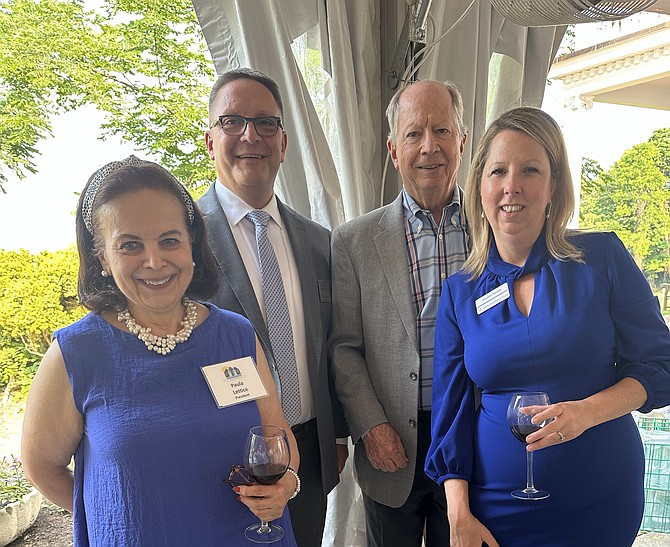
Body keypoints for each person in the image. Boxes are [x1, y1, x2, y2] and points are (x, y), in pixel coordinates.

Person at [20, 156, 301, 546]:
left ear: (191, 246)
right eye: (130, 245)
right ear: (103, 257)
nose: (155, 262)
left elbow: (277, 436)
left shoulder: (236, 334)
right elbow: (42, 467)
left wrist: (284, 486)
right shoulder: (76, 352)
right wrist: (120, 515)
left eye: (169, 240)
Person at [425, 106, 670, 547]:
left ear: (555, 185)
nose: (511, 186)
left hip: (600, 498)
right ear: (479, 185)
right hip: (496, 505)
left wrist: (586, 412)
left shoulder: (602, 259)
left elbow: (660, 364)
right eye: (497, 171)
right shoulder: (460, 292)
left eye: (531, 170)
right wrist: (457, 512)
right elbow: (451, 413)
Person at [199, 68, 349, 547]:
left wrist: (338, 435)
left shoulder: (319, 241)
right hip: (222, 458)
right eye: (233, 121)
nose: (250, 135)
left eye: (265, 123)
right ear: (209, 139)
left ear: (283, 143)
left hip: (309, 453)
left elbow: (334, 344)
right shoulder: (182, 243)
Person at [329, 79, 469, 547]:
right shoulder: (354, 240)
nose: (429, 146)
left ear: (462, 141)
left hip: (475, 438)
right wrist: (371, 425)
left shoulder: (494, 229)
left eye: (442, 130)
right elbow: (344, 349)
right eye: (413, 134)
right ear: (393, 150)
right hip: (393, 444)